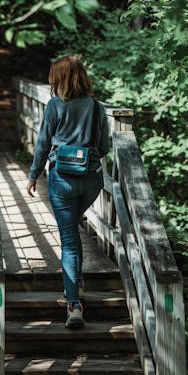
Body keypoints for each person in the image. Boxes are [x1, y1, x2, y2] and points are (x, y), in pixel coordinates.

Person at [26, 55, 109, 328]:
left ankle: (74, 305)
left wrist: (33, 175)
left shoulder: (54, 106)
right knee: (72, 231)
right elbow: (105, 146)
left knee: (70, 240)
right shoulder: (97, 108)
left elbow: (42, 143)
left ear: (59, 79)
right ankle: (77, 283)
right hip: (91, 182)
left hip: (62, 180)